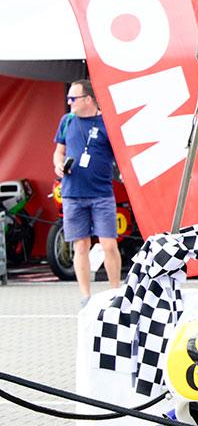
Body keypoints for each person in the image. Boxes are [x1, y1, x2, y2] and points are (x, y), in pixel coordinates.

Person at [52, 79, 121, 304]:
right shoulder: (67, 121)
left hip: (101, 193)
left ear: (88, 99)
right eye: (68, 98)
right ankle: (85, 296)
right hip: (72, 193)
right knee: (80, 245)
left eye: (73, 98)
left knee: (109, 244)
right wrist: (58, 165)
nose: (69, 102)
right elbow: (59, 152)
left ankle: (115, 292)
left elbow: (120, 155)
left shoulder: (106, 123)